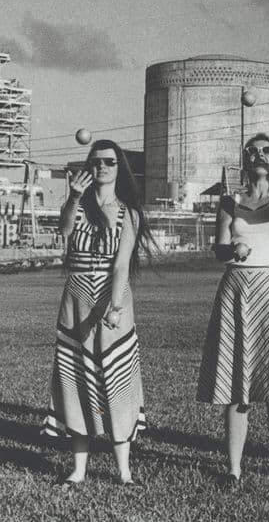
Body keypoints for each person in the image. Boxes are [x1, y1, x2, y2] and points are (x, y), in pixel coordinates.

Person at [197, 133, 269, 486]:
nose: (259, 155)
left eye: (266, 150)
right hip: (236, 287)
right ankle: (234, 469)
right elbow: (217, 250)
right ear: (244, 160)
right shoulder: (231, 201)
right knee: (237, 384)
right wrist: (233, 247)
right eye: (253, 151)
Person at [42, 139, 153, 489]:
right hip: (75, 302)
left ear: (119, 167)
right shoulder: (78, 204)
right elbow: (64, 231)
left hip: (111, 301)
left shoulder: (129, 212)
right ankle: (78, 470)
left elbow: (121, 265)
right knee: (75, 381)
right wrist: (74, 197)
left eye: (109, 161)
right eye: (96, 162)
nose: (102, 167)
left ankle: (124, 472)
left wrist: (116, 306)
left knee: (117, 381)